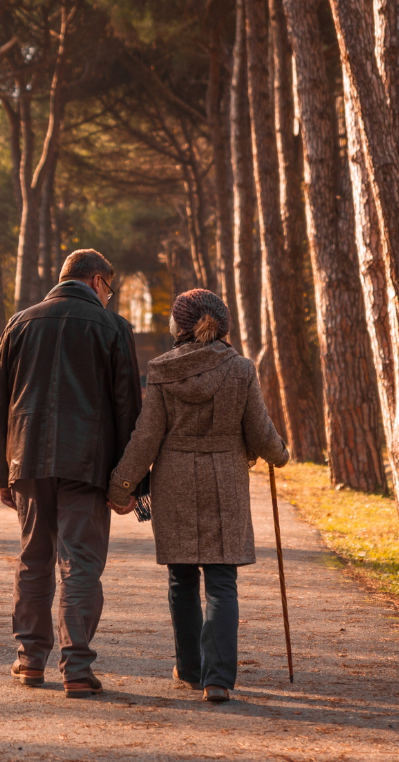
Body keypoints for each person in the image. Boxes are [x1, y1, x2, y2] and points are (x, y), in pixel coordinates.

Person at [106, 289, 288, 703]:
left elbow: (146, 436)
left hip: (175, 484)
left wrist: (121, 485)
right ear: (222, 325)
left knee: (182, 579)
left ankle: (189, 670)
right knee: (222, 583)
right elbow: (260, 432)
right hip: (225, 479)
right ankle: (218, 679)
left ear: (178, 327)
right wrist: (281, 453)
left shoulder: (161, 370)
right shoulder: (241, 369)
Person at [0, 249, 142, 698]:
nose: (109, 298)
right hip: (88, 466)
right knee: (81, 565)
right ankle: (76, 668)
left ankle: (29, 661)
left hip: (29, 462)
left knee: (34, 560)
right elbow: (128, 409)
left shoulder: (20, 323)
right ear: (97, 281)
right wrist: (130, 483)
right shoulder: (113, 329)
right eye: (109, 289)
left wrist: (4, 473)